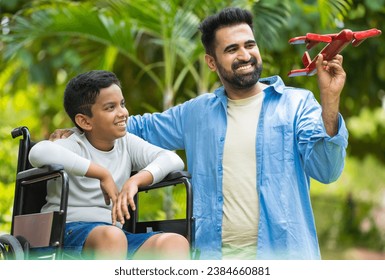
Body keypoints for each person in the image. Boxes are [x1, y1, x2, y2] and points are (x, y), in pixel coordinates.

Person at [51, 7, 348, 259]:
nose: (245, 55)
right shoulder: (195, 113)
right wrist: (79, 129)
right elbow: (133, 127)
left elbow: (327, 169)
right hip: (212, 258)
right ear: (211, 62)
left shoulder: (297, 105)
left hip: (284, 256)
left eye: (250, 45)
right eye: (232, 49)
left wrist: (330, 102)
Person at [29, 70, 189, 260]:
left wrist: (135, 181)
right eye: (110, 107)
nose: (122, 113)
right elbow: (38, 152)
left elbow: (172, 159)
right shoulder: (73, 142)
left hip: (114, 235)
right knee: (112, 237)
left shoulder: (126, 142)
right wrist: (102, 174)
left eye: (122, 104)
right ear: (84, 121)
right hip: (66, 233)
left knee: (174, 243)